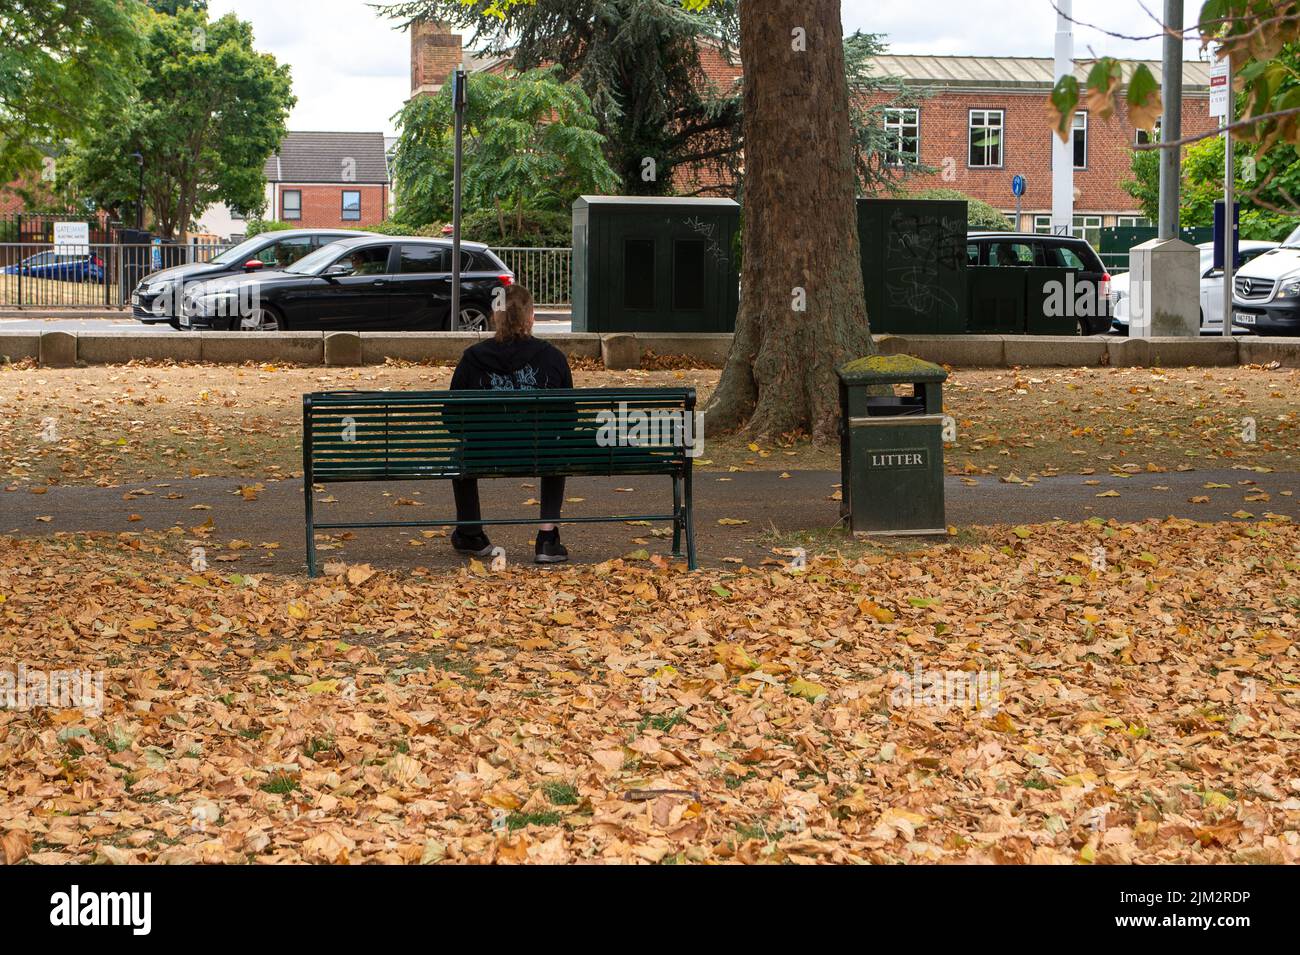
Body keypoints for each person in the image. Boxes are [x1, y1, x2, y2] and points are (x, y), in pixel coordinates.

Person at [448, 284, 573, 564]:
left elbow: (452, 419)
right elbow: (568, 419)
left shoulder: (472, 358)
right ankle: (547, 538)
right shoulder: (553, 358)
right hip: (539, 452)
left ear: (496, 316)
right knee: (558, 451)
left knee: (460, 456)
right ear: (531, 318)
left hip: (484, 452)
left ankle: (471, 533)